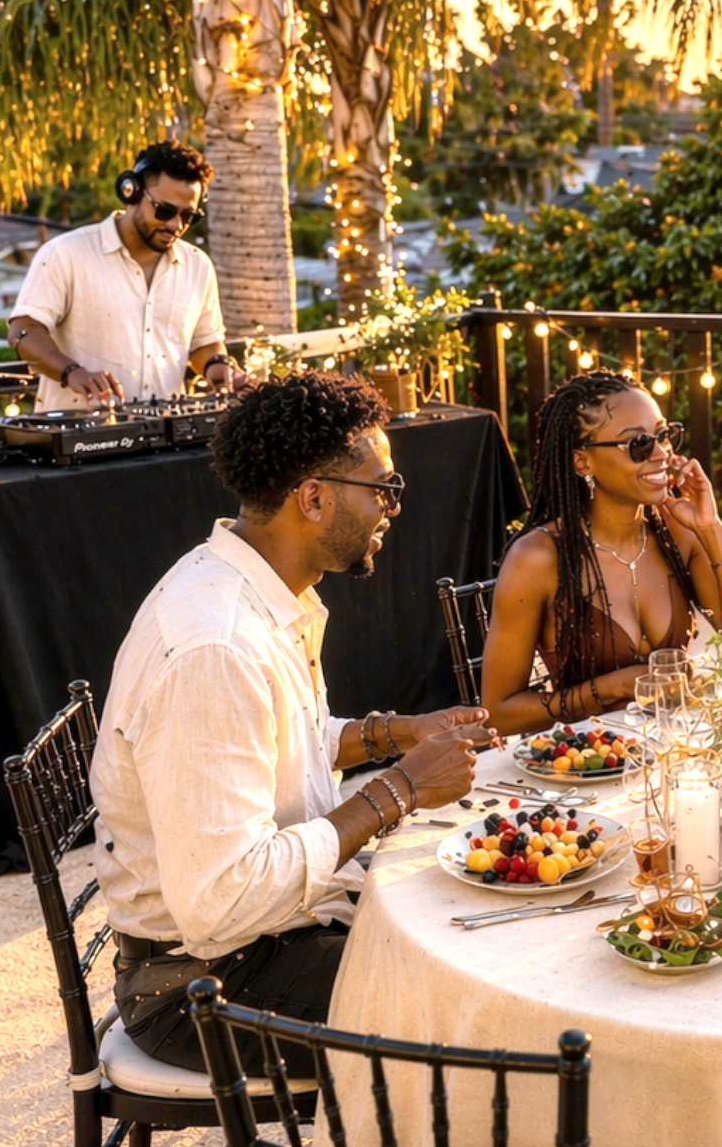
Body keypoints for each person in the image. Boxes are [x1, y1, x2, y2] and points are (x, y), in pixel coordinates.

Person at [89, 372, 487, 1073]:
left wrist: (402, 733)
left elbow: (283, 746)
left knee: (473, 926)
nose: (394, 506)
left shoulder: (252, 591)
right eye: (384, 488)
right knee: (481, 1006)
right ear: (314, 497)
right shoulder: (216, 645)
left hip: (257, 945)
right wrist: (397, 790)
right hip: (202, 987)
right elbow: (223, 902)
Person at [479, 370, 722, 732]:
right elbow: (499, 712)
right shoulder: (538, 558)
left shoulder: (677, 534)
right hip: (587, 769)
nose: (661, 455)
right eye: (638, 444)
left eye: (664, 437)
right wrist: (610, 688)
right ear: (582, 462)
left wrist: (711, 529)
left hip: (677, 751)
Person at [7, 140, 248, 411]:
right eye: (165, 210)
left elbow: (205, 342)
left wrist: (217, 367)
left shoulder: (198, 265)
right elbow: (23, 331)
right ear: (131, 192)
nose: (175, 225)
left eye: (188, 216)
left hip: (165, 438)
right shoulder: (65, 254)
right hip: (79, 438)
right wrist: (73, 372)